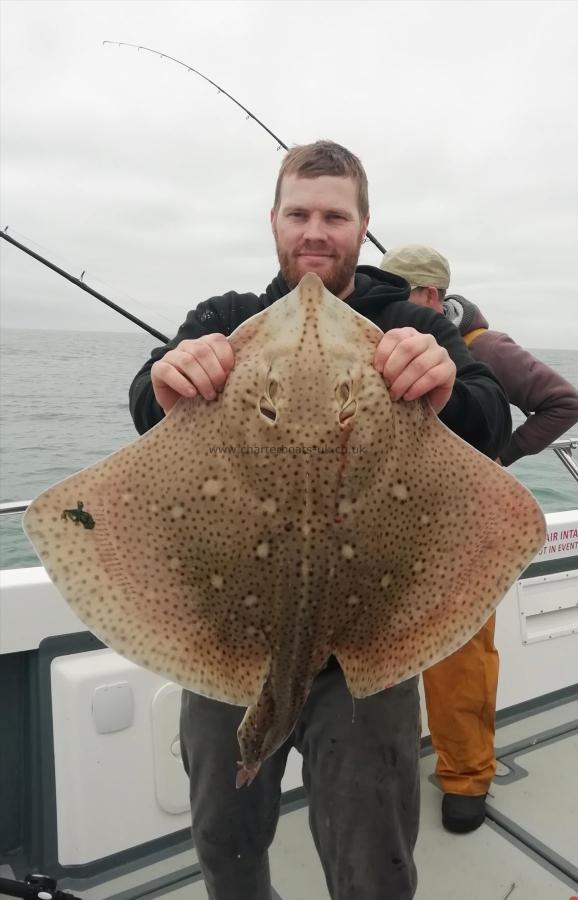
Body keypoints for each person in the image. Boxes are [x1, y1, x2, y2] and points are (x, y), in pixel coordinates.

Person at [129, 143, 511, 900]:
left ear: (361, 227)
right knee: (224, 842)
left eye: (334, 215)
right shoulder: (228, 318)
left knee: (374, 860)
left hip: (371, 641)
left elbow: (490, 419)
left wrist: (444, 389)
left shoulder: (405, 320)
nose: (314, 230)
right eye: (299, 213)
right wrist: (168, 378)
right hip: (231, 638)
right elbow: (146, 404)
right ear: (274, 221)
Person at [380, 243, 578, 835]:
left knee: (458, 655)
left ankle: (466, 777)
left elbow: (563, 403)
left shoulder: (482, 349)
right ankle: (387, 770)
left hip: (464, 528)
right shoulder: (381, 339)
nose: (385, 308)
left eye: (400, 294)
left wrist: (500, 455)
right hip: (396, 521)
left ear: (432, 296)